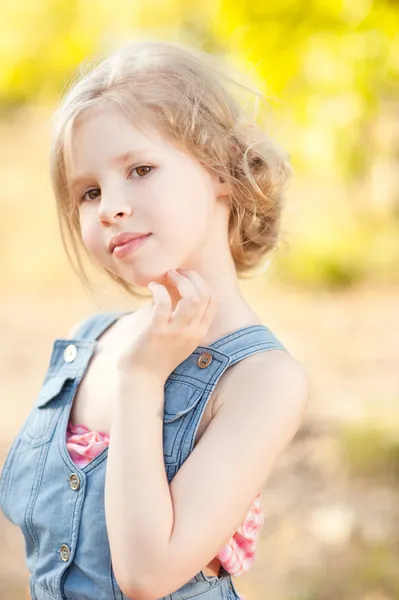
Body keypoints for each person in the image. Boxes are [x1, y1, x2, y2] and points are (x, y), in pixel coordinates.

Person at [0, 40, 309, 600]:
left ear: (223, 170)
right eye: (88, 191)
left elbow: (146, 575)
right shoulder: (87, 342)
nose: (109, 207)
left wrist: (142, 379)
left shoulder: (263, 381)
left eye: (140, 169)